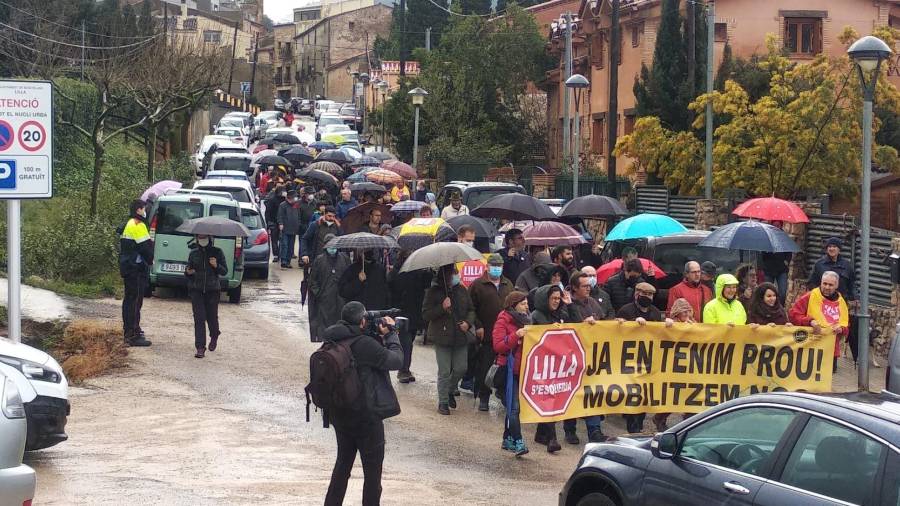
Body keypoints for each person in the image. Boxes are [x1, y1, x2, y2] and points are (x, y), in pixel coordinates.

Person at [323, 301, 402, 506]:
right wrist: (391, 335)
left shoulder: (331, 340)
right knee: (372, 475)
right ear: (362, 321)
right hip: (366, 418)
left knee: (342, 467)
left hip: (340, 415)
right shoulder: (364, 345)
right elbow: (396, 360)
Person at [616, 282, 672, 433]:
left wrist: (667, 325)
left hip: (648, 360)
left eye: (650, 295)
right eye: (645, 294)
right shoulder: (626, 310)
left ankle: (638, 425)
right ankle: (632, 427)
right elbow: (615, 332)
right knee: (633, 394)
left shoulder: (654, 312)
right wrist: (629, 325)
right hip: (630, 360)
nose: (648, 297)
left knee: (643, 395)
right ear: (636, 294)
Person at [422, 265, 475, 415]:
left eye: (457, 273)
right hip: (442, 336)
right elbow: (426, 314)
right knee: (444, 371)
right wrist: (442, 307)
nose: (456, 276)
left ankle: (451, 388)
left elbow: (471, 309)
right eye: (453, 273)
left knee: (461, 368)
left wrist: (468, 323)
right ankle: (443, 401)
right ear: (446, 275)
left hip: (460, 335)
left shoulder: (462, 290)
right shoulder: (433, 292)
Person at [530, 284, 576, 452]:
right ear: (545, 299)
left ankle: (541, 434)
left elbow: (577, 326)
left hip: (560, 365)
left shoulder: (562, 314)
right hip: (542, 365)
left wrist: (570, 305)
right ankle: (552, 438)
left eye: (558, 298)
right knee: (549, 399)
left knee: (556, 398)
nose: (557, 301)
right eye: (553, 298)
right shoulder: (536, 316)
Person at [468, 254, 514, 411]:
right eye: (494, 265)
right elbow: (471, 308)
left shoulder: (508, 284)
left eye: (500, 266)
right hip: (486, 333)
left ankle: (503, 394)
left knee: (505, 367)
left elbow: (513, 306)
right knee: (485, 367)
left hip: (505, 335)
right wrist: (478, 325)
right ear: (487, 266)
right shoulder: (477, 284)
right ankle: (484, 396)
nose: (497, 268)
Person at [492, 291, 530, 456]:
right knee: (513, 408)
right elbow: (499, 346)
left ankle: (507, 439)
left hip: (524, 371)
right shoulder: (503, 320)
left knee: (514, 408)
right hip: (508, 371)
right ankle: (519, 441)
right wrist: (516, 335)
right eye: (523, 303)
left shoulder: (528, 321)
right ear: (513, 305)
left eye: (527, 303)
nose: (526, 306)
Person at [790, 271, 849, 372]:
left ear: (836, 285)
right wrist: (810, 321)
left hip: (830, 349)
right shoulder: (809, 296)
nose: (827, 287)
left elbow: (846, 325)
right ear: (820, 282)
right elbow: (793, 315)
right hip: (810, 347)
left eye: (830, 285)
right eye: (824, 283)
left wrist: (841, 329)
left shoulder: (841, 302)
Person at [388, 251, 432, 383]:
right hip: (401, 313)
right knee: (405, 342)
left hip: (415, 313)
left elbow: (426, 284)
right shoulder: (396, 272)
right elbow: (391, 287)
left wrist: (429, 272)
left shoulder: (418, 271)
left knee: (410, 342)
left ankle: (405, 368)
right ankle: (403, 370)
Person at [185, 234, 227, 358]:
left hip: (212, 290)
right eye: (199, 236)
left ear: (209, 237)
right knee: (199, 318)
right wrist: (188, 272)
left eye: (204, 236)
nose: (201, 239)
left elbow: (224, 271)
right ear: (197, 238)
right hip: (196, 290)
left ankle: (214, 335)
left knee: (212, 317)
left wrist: (216, 265)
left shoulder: (217, 252)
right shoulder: (193, 253)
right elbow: (189, 270)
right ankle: (200, 347)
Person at [119, 199, 153, 347]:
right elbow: (146, 248)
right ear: (139, 210)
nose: (145, 211)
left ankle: (132, 331)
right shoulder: (138, 225)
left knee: (129, 301)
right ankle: (132, 335)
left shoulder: (129, 223)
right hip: (135, 269)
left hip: (128, 267)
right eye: (144, 208)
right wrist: (150, 260)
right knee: (134, 302)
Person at [308, 235, 351, 342]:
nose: (332, 247)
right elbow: (312, 281)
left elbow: (349, 277)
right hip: (325, 300)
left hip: (340, 299)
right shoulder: (319, 260)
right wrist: (319, 294)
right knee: (324, 326)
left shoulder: (344, 259)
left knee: (339, 324)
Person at [277, 190, 303, 269]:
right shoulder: (283, 205)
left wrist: (298, 223)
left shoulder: (296, 205)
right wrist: (280, 223)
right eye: (294, 198)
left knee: (291, 246)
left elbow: (298, 215)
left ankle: (288, 261)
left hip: (294, 228)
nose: (295, 199)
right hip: (285, 228)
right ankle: (284, 261)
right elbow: (280, 215)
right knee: (285, 245)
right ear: (289, 198)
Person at [264, 184, 286, 262]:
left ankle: (280, 254)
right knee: (274, 239)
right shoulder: (272, 200)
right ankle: (276, 254)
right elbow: (268, 212)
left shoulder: (285, 200)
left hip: (283, 222)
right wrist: (268, 223)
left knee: (283, 239)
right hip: (274, 222)